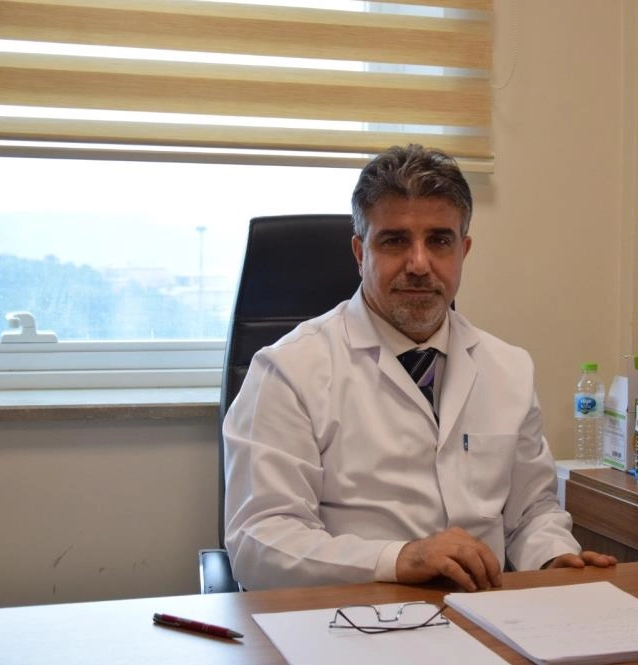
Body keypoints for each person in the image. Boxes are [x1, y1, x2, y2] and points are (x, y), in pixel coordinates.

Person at [223, 144, 616, 592]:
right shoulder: (289, 370)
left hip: (485, 614)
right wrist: (399, 559)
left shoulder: (508, 368)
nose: (419, 264)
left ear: (463, 250)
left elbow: (531, 513)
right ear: (360, 252)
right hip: (351, 616)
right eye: (394, 241)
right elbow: (260, 543)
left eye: (439, 241)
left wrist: (553, 558)